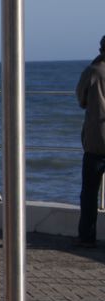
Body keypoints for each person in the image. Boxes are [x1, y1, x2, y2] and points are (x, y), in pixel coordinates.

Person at [76, 35, 105, 248]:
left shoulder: (93, 71)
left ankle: (87, 237)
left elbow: (81, 99)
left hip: (96, 141)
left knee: (89, 193)